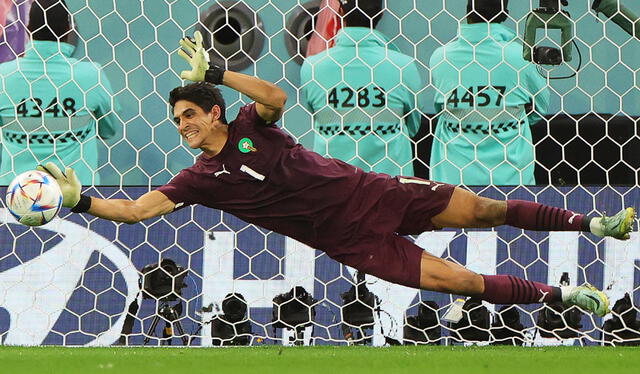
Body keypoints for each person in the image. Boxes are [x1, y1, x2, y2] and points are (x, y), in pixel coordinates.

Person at [39, 32, 635, 319]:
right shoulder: (201, 178)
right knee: (464, 283)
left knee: (486, 210)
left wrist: (220, 69)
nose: (182, 126)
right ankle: (570, 295)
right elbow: (139, 210)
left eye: (189, 114)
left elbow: (275, 93)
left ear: (214, 110)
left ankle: (596, 222)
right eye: (176, 120)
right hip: (350, 240)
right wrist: (78, 200)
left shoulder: (252, 125)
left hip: (373, 192)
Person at [429, 0, 549, 185]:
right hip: (512, 180)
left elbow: (440, 111)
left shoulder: (440, 57)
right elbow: (540, 108)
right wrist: (506, 120)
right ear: (505, 14)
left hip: (451, 183)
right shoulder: (521, 57)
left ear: (468, 13)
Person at [0, 0, 119, 185]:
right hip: (77, 201)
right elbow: (109, 129)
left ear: (28, 29)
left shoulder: (3, 76)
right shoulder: (91, 75)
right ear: (68, 30)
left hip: (16, 197)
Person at [300, 0, 423, 176]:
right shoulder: (403, 66)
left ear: (340, 12)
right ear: (380, 14)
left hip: (332, 185)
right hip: (390, 188)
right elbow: (413, 126)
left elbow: (317, 117)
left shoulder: (312, 66)